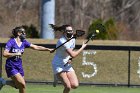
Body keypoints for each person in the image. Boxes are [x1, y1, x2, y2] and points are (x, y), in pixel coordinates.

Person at [0, 26, 53, 93]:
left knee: (19, 86)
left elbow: (36, 47)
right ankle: (3, 82)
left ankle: (3, 82)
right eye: (24, 32)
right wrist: (15, 54)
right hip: (11, 66)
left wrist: (48, 49)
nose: (25, 34)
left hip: (19, 66)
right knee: (22, 84)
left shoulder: (24, 42)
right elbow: (5, 54)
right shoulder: (11, 42)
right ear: (19, 33)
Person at [51, 25, 87, 93]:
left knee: (75, 85)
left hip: (66, 64)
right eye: (68, 31)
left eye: (71, 31)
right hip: (58, 64)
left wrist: (70, 59)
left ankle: (57, 76)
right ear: (64, 32)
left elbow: (71, 52)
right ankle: (57, 75)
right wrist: (82, 47)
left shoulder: (73, 39)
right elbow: (73, 54)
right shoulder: (62, 41)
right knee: (68, 87)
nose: (70, 32)